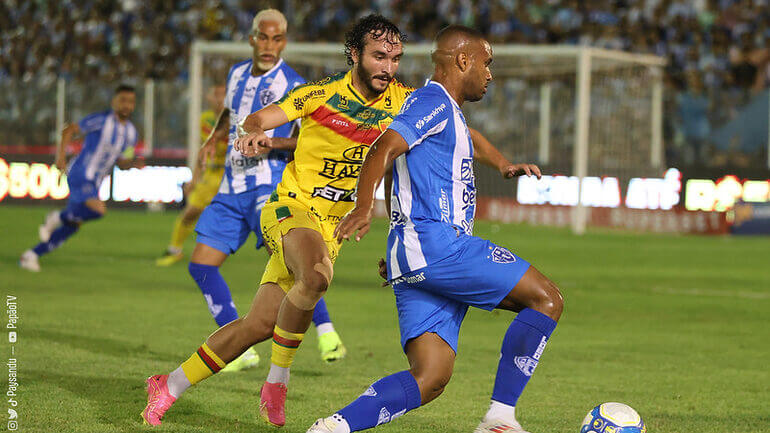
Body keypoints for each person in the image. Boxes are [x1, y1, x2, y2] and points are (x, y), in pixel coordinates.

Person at [140, 14, 412, 428]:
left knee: (258, 325)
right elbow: (261, 117)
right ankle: (276, 382)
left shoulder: (402, 100)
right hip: (289, 206)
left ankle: (169, 384)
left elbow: (448, 118)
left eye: (395, 59)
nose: (388, 68)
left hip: (331, 226)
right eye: (379, 57)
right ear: (355, 55)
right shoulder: (319, 92)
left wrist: (500, 162)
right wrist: (252, 132)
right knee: (317, 276)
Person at [309, 25, 564, 433]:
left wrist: (502, 164)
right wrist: (363, 208)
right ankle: (500, 420)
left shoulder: (444, 111)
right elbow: (384, 149)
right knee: (547, 299)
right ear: (463, 61)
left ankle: (332, 428)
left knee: (431, 379)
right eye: (487, 63)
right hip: (440, 246)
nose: (490, 74)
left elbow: (459, 143)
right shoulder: (432, 100)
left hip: (418, 254)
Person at [19, 84, 144, 272]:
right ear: (114, 102)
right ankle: (57, 217)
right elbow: (69, 130)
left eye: (131, 102)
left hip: (96, 181)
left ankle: (31, 255)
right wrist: (60, 157)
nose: (127, 105)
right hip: (80, 172)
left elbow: (122, 163)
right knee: (98, 209)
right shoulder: (102, 120)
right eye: (123, 100)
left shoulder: (132, 133)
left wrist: (133, 163)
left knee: (73, 225)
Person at [155, 84, 228, 267]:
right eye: (215, 94)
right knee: (191, 211)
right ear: (208, 98)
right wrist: (195, 177)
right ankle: (174, 249)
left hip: (232, 175)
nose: (219, 99)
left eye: (222, 95)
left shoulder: (238, 119)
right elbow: (203, 148)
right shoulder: (205, 119)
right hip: (211, 174)